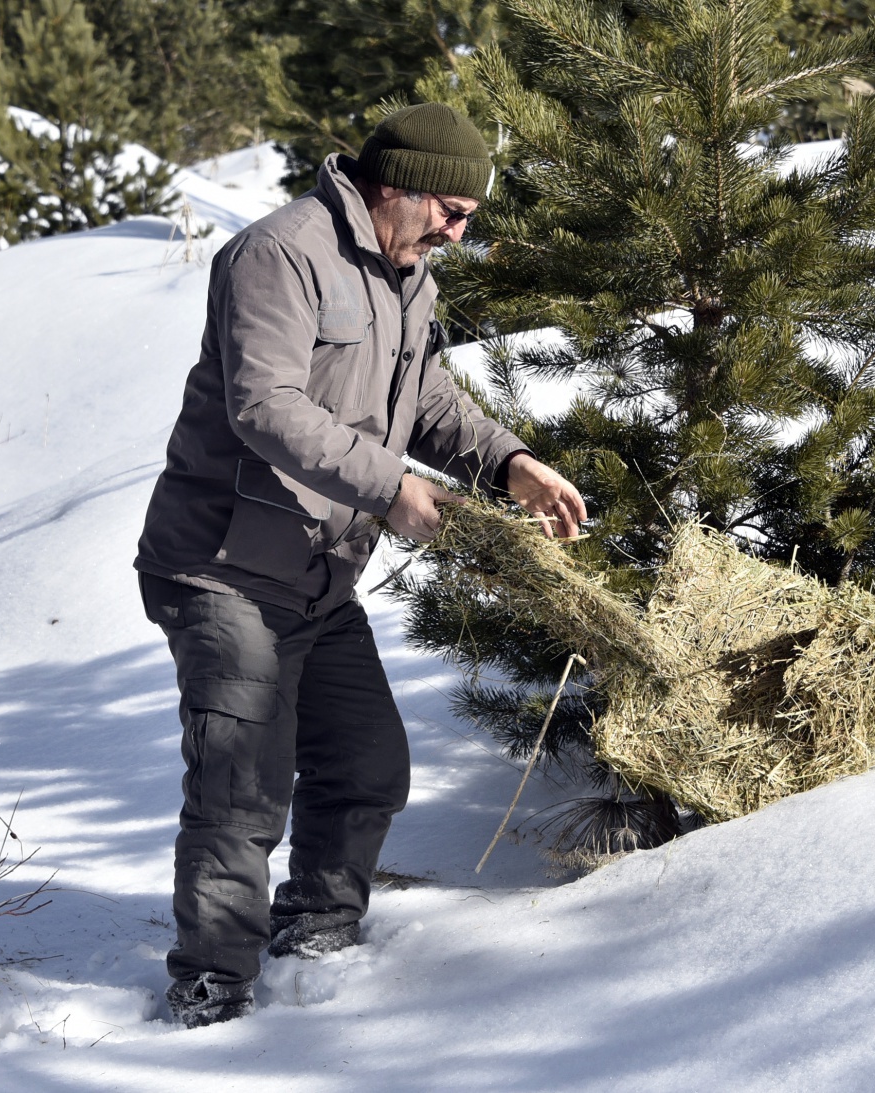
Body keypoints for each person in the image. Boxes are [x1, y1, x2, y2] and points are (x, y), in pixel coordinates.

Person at [134, 102, 587, 1029]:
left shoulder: (405, 272)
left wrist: (512, 463)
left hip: (315, 570)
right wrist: (392, 489)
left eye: (468, 217)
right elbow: (266, 407)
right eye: (452, 211)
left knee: (368, 765)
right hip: (222, 565)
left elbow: (425, 396)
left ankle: (316, 937)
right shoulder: (279, 255)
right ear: (397, 185)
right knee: (243, 785)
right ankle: (210, 993)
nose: (460, 233)